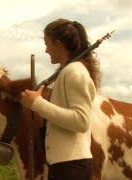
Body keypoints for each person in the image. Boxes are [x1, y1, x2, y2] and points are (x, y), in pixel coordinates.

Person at [21, 19, 101, 180]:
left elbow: (81, 121)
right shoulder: (68, 72)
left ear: (57, 43)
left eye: (47, 44)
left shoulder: (74, 72)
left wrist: (37, 103)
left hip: (71, 168)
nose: (46, 50)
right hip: (65, 166)